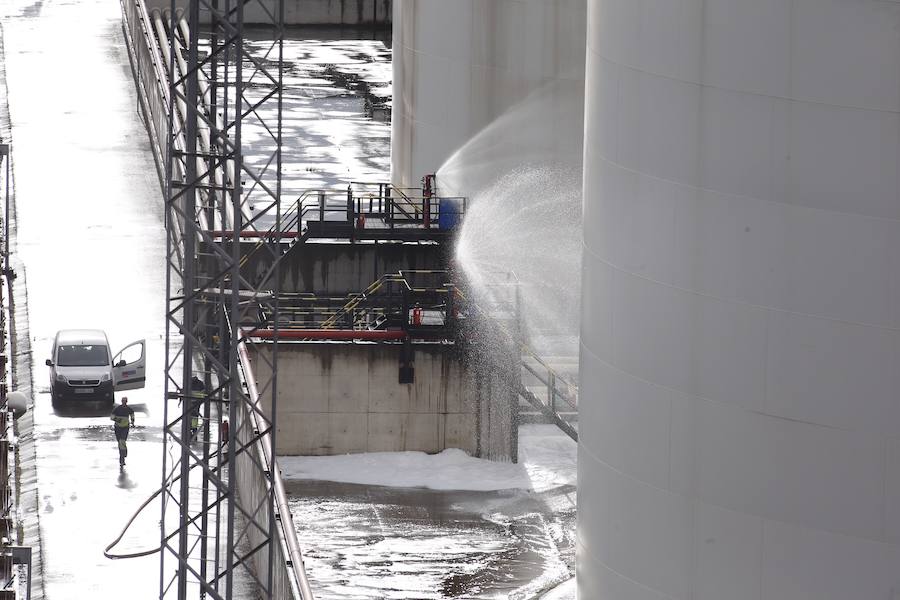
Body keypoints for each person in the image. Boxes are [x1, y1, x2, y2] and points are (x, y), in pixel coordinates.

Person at [111, 396, 135, 467]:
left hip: (125, 427)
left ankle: (122, 459)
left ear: (127, 402)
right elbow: (111, 417)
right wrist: (118, 420)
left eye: (125, 401)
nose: (124, 402)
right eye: (123, 401)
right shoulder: (117, 409)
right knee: (120, 442)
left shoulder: (129, 409)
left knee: (122, 441)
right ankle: (124, 451)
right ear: (121, 401)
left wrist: (132, 421)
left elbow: (132, 414)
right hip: (118, 428)